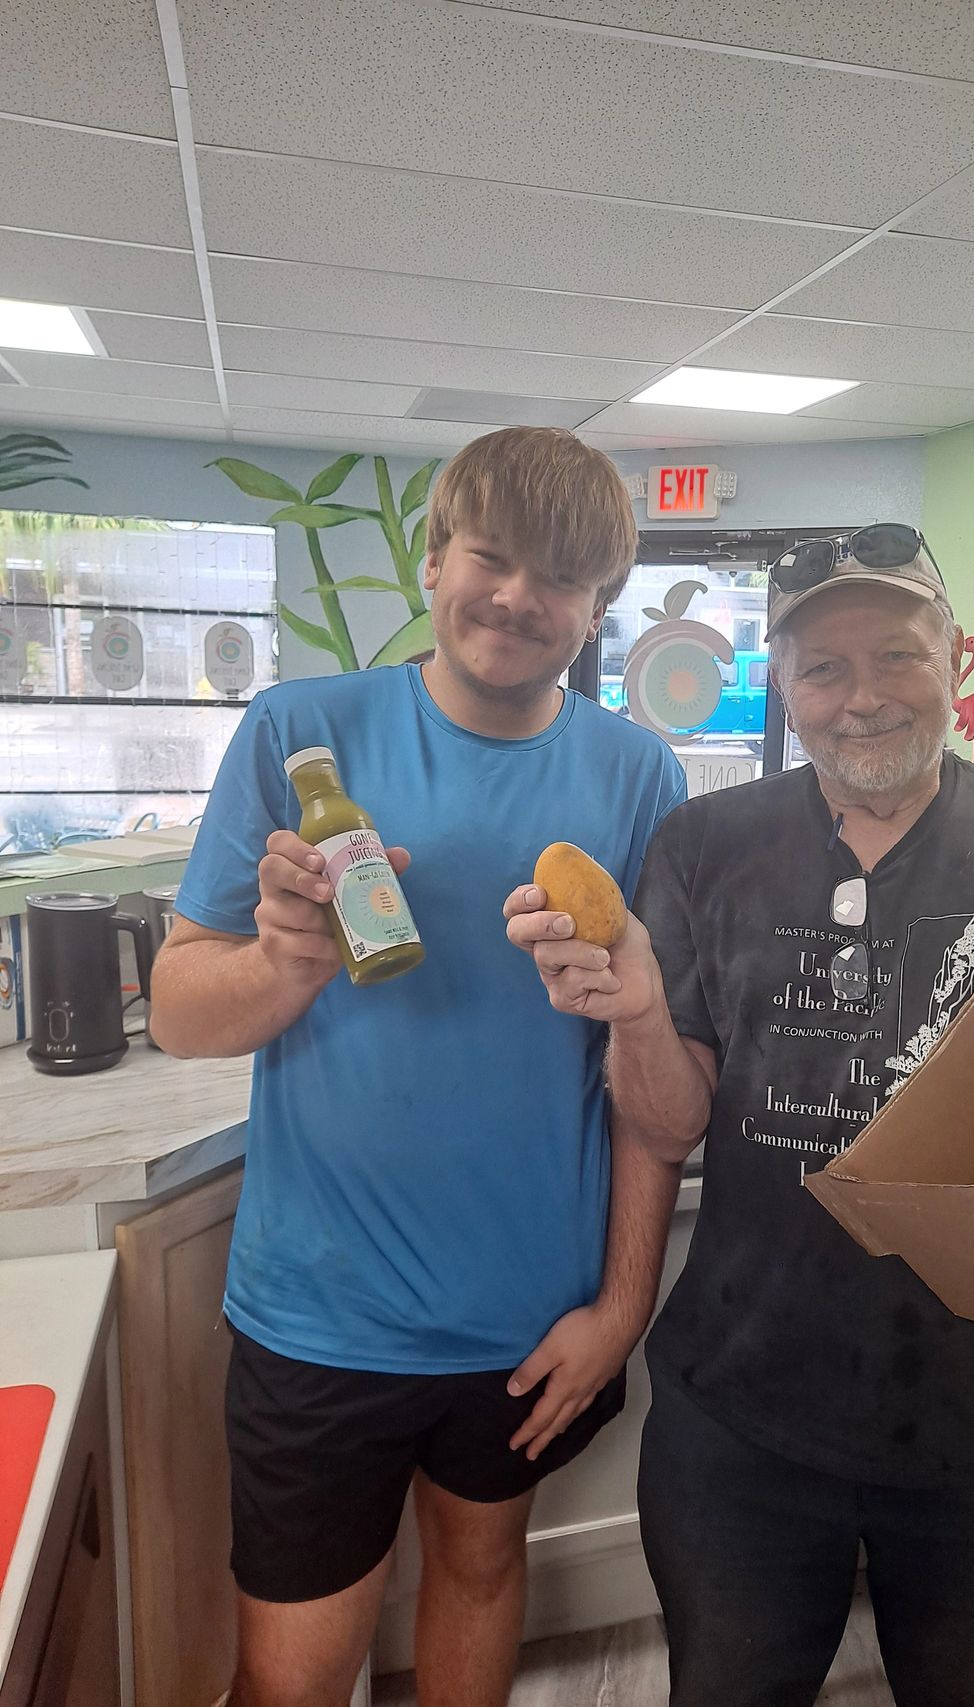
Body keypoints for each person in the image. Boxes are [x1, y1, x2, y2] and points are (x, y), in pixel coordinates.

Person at [507, 527, 974, 1707]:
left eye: (896, 655)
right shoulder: (706, 846)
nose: (859, 698)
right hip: (740, 1418)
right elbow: (666, 1125)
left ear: (955, 659)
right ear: (784, 687)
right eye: (821, 668)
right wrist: (641, 1015)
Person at [150, 427, 685, 1707]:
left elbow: (649, 1075)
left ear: (597, 605)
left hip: (521, 1317)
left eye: (558, 579)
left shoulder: (636, 771)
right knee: (290, 1672)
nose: (515, 598)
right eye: (490, 557)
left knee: (482, 1573)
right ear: (435, 556)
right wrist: (285, 964)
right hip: (320, 1310)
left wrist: (619, 1311)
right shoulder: (302, 734)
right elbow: (177, 1006)